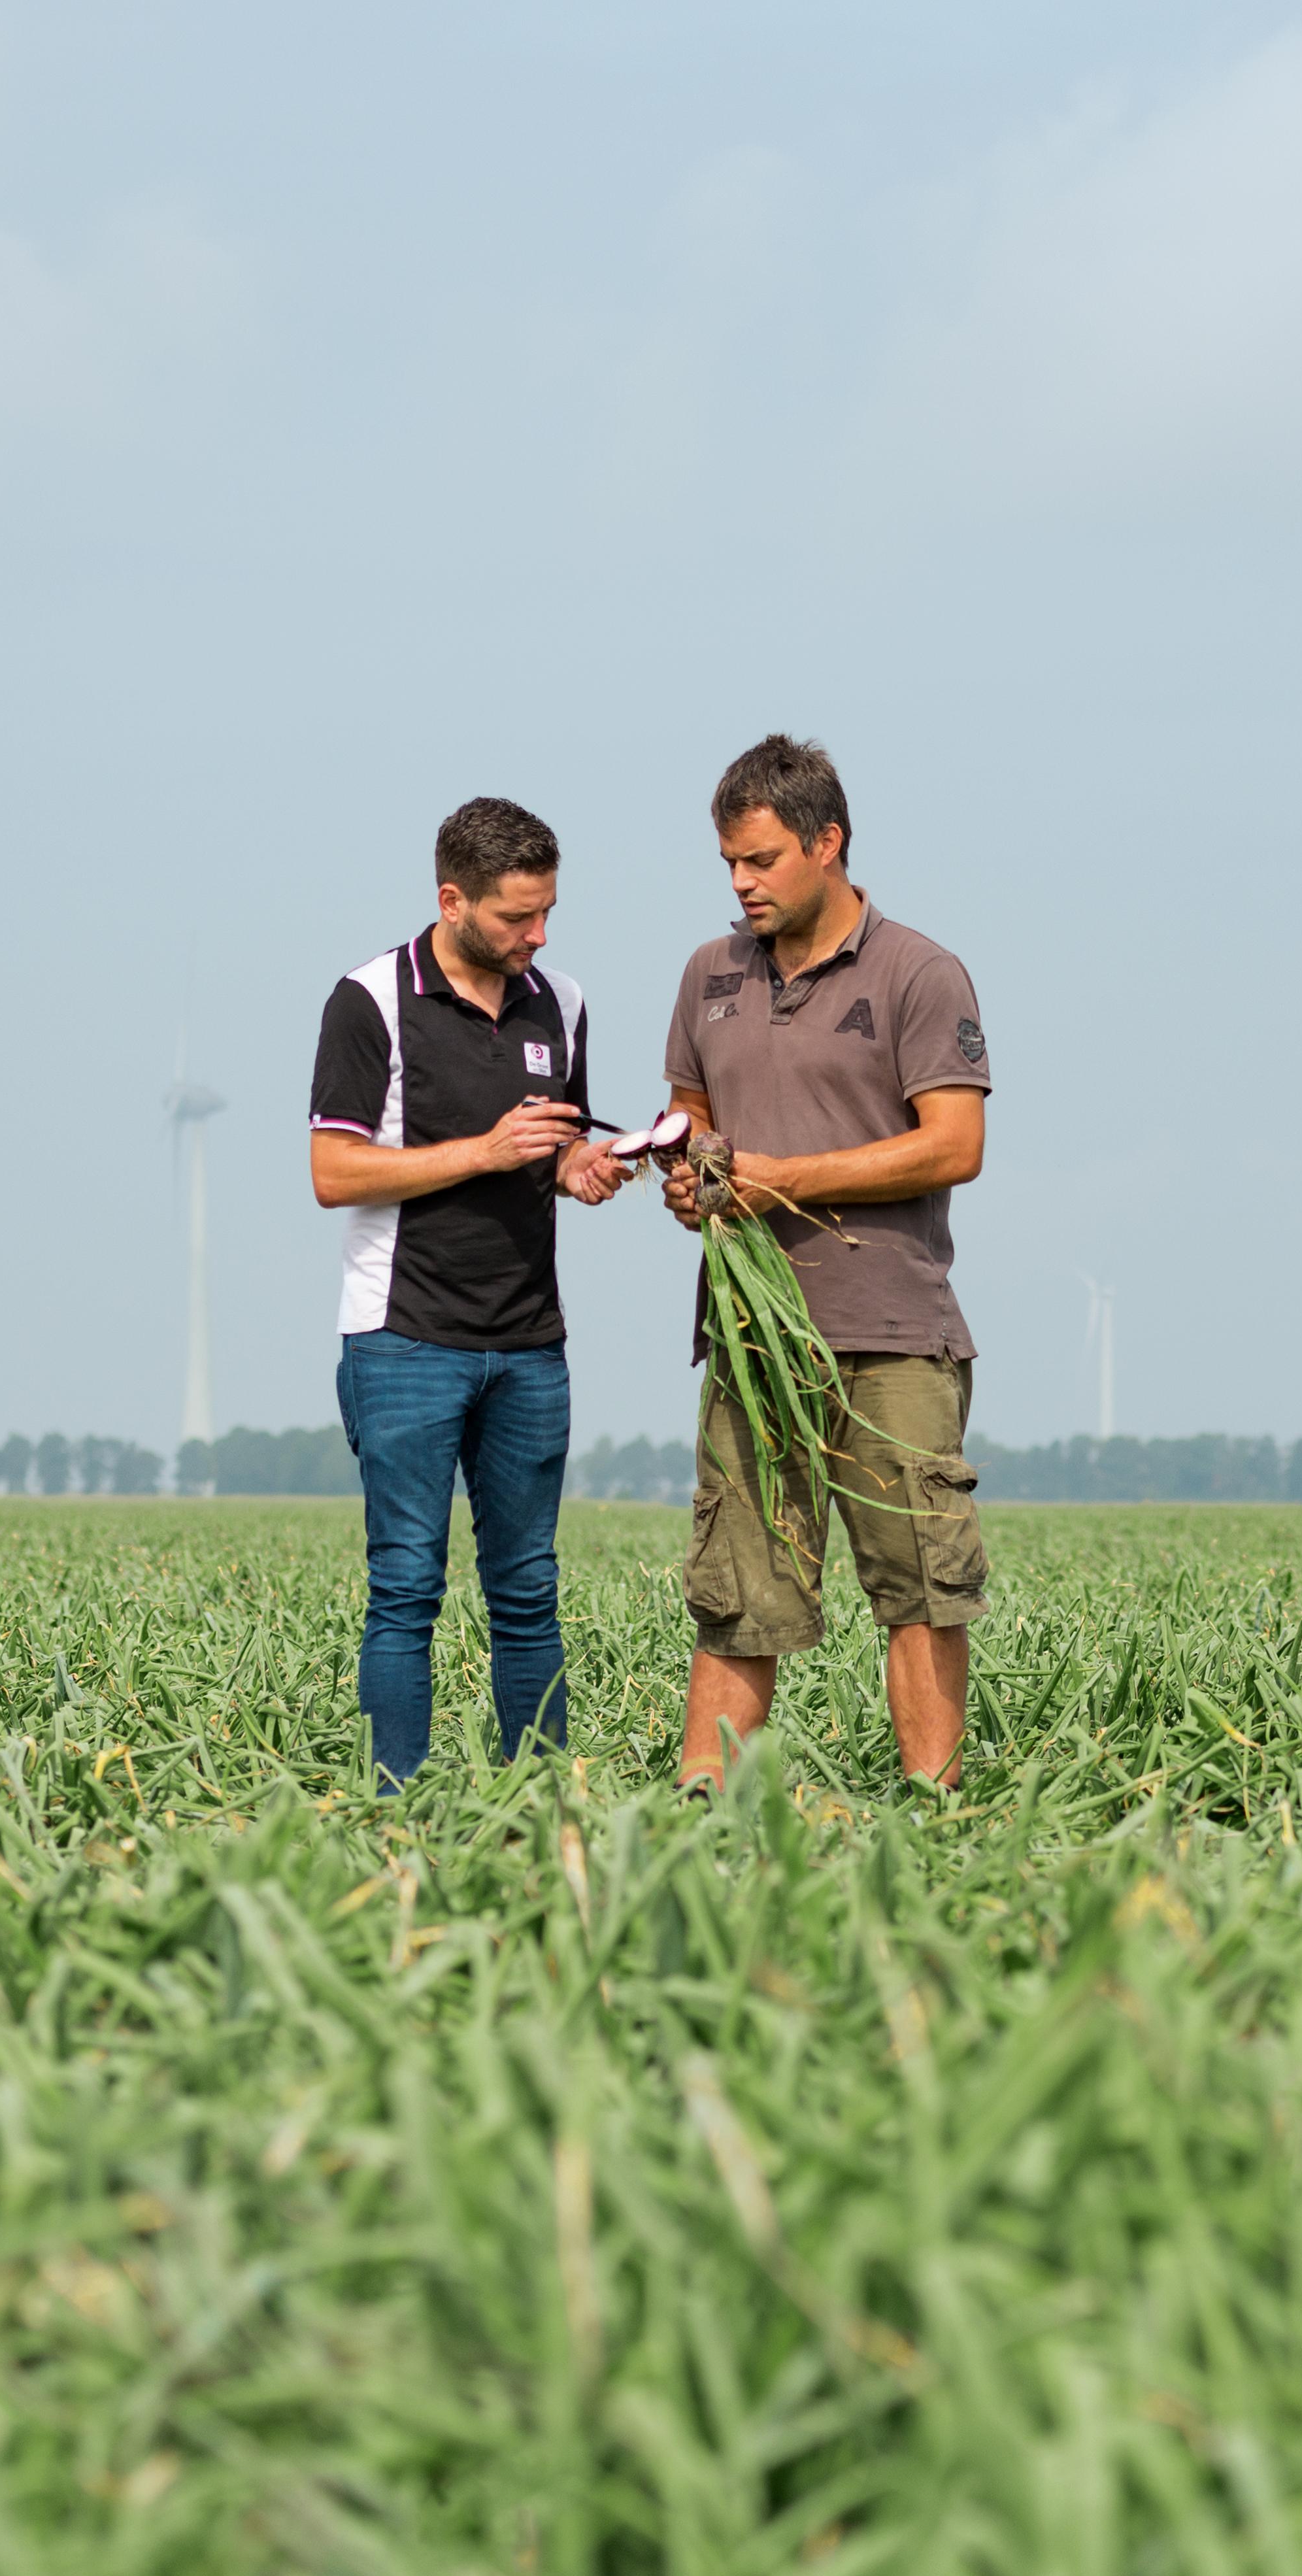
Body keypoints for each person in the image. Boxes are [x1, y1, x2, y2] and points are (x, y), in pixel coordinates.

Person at [654, 734, 992, 1788]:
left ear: (827, 842)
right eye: (729, 865)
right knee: (736, 1591)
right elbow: (689, 1121)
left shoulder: (919, 973)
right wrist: (687, 1175)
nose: (742, 884)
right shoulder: (708, 975)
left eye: (760, 861)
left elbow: (954, 1145)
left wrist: (783, 1177)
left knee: (922, 1585)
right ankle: (700, 1820)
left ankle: (930, 1815)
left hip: (891, 1333)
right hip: (753, 1342)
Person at [309, 797, 621, 1784]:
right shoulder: (368, 999)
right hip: (404, 1338)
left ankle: (536, 1803)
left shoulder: (559, 1000)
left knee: (529, 1590)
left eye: (547, 914)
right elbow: (333, 1172)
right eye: (516, 918)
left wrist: (585, 1165)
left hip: (530, 1342)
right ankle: (391, 1802)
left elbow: (559, 1144)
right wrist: (485, 1153)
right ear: (452, 900)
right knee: (405, 1587)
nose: (537, 936)